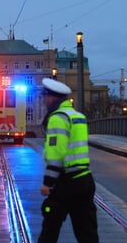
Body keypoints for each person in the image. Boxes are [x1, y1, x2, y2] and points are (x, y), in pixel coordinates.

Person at [38, 78, 99, 243]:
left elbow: (56, 153)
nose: (43, 101)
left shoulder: (58, 118)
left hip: (67, 182)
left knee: (50, 228)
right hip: (85, 179)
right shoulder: (78, 116)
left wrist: (47, 183)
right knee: (87, 232)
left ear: (52, 98)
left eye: (44, 97)